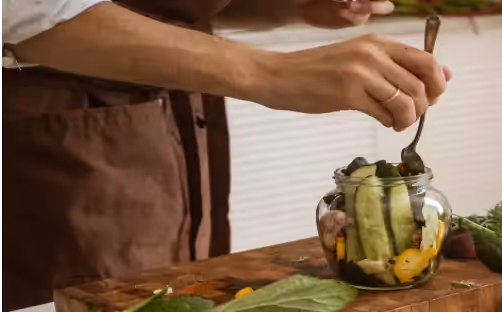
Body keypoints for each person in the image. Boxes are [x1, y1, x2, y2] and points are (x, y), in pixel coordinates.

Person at [2, 0, 451, 310]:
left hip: (170, 123)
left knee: (178, 292)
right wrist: (269, 71)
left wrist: (293, 4)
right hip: (45, 136)